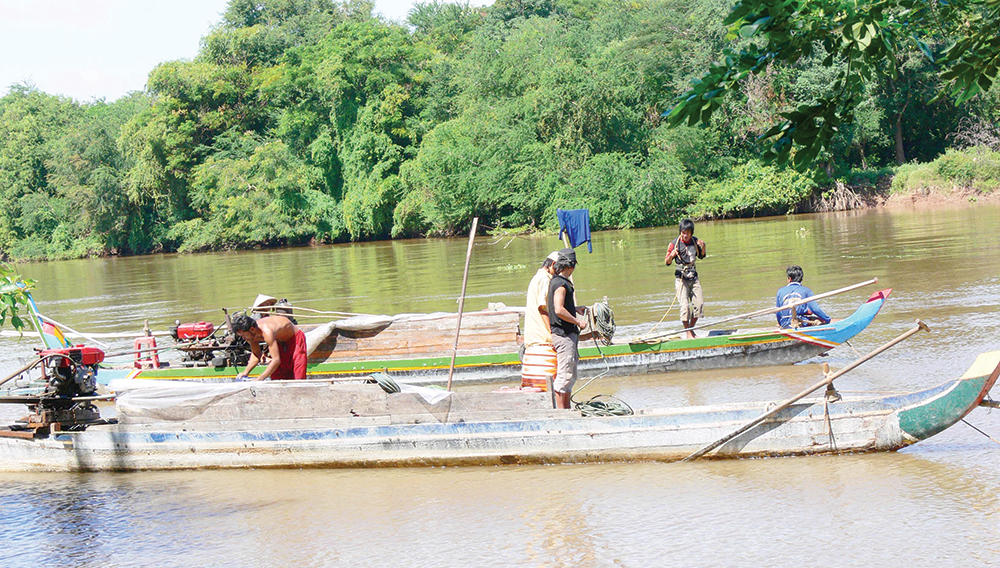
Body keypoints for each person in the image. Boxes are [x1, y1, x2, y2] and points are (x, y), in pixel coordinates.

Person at [547, 248, 588, 409]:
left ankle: (567, 409)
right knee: (564, 376)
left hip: (565, 335)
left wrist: (575, 308)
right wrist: (578, 322)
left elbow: (560, 307)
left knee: (570, 374)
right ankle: (561, 413)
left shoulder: (556, 281)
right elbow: (558, 309)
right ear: (571, 266)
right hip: (564, 336)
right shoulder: (561, 284)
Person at [520, 251, 560, 390]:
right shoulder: (545, 279)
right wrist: (552, 334)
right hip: (542, 343)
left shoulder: (537, 278)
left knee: (533, 390)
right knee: (548, 389)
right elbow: (542, 308)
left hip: (533, 342)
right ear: (553, 265)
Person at [231, 313, 308, 380]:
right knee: (277, 375)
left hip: (294, 339)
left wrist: (260, 378)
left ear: (252, 329)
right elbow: (256, 354)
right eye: (241, 336)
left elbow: (276, 360)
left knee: (298, 373)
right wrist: (245, 372)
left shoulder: (267, 331)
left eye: (244, 335)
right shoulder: (250, 336)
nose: (244, 338)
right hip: (278, 341)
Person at [664, 218, 707, 339]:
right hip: (681, 278)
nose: (685, 235)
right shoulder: (674, 244)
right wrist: (672, 255)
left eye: (687, 232)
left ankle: (691, 328)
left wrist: (703, 246)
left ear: (691, 232)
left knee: (699, 305)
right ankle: (688, 332)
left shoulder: (695, 242)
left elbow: (702, 256)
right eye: (683, 232)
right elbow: (666, 261)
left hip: (693, 277)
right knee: (684, 307)